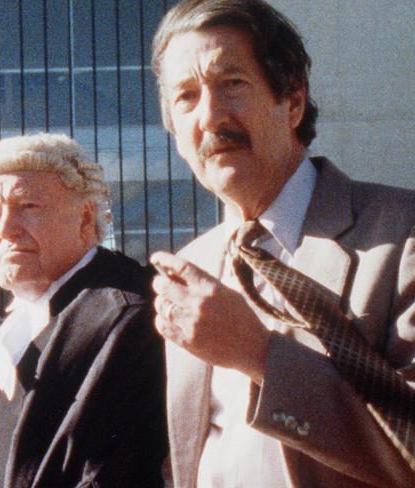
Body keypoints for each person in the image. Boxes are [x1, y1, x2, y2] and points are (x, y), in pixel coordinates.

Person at [149, 0, 415, 487]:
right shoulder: (190, 268)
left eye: (232, 84)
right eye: (186, 97)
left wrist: (259, 356)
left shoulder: (400, 237)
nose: (209, 117)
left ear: (292, 101)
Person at [0, 133, 167, 487]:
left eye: (28, 207)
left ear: (86, 218)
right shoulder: (23, 317)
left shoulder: (130, 315)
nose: (6, 230)